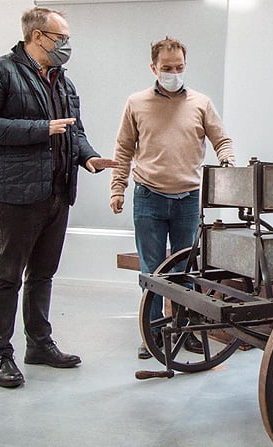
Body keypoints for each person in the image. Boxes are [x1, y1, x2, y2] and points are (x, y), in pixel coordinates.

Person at [0, 7, 121, 388]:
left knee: (43, 275)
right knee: (7, 277)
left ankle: (39, 344)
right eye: (61, 38)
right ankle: (0, 355)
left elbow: (74, 131)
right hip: (15, 194)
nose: (66, 45)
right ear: (37, 37)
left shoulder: (63, 82)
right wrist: (40, 129)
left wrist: (88, 157)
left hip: (56, 192)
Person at [109, 36, 235, 359]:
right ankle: (152, 334)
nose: (173, 72)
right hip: (148, 197)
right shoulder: (136, 103)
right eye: (167, 68)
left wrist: (228, 162)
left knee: (185, 270)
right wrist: (117, 188)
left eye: (179, 67)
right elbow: (123, 150)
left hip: (188, 200)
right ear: (154, 67)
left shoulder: (201, 103)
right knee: (153, 273)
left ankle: (186, 331)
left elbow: (222, 140)